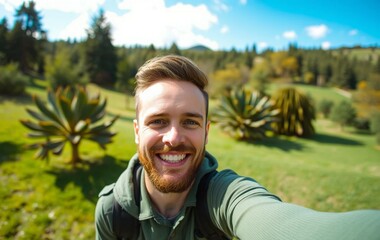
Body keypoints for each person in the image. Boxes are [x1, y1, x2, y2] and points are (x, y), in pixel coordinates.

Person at [95, 55, 380, 240]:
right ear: (136, 131)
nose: (173, 137)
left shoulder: (224, 196)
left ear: (206, 132)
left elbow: (276, 222)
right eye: (157, 121)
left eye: (190, 122)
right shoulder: (112, 211)